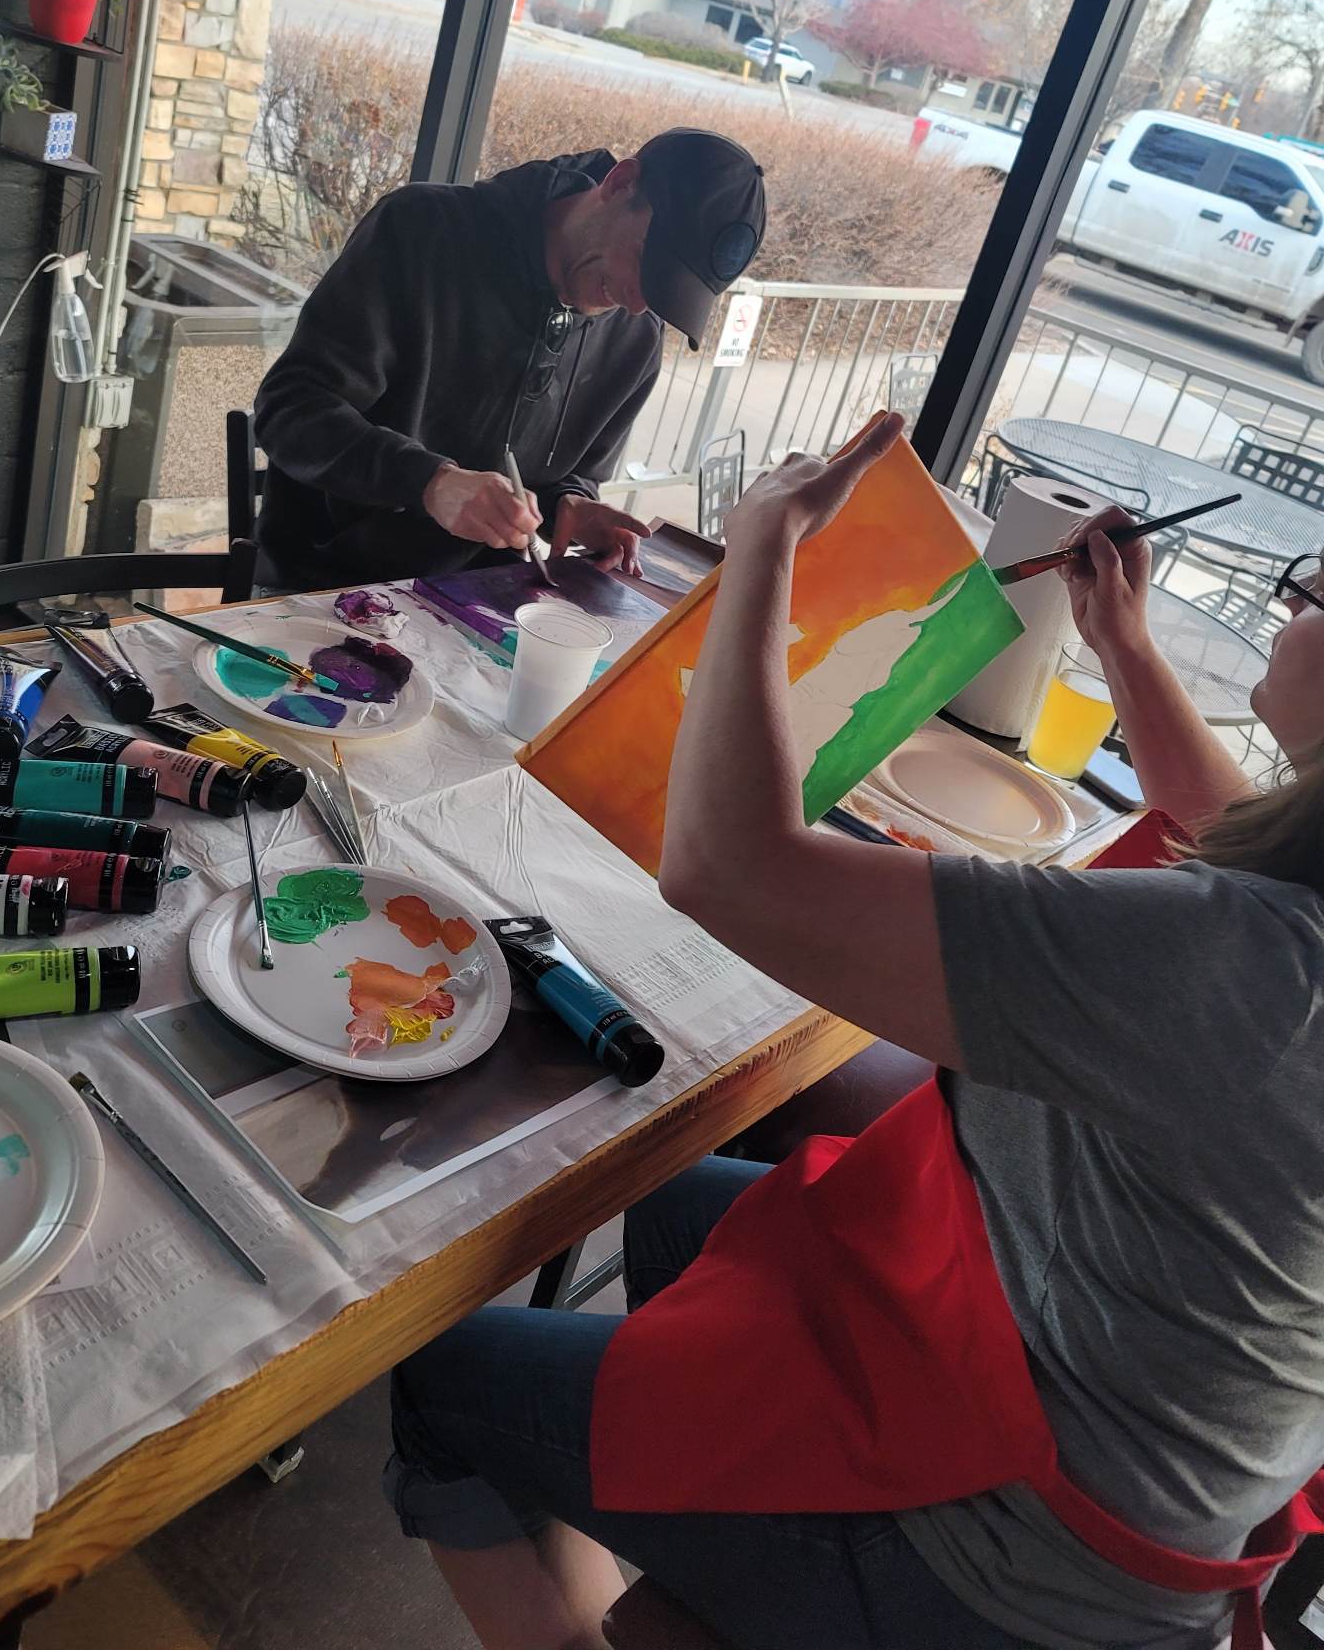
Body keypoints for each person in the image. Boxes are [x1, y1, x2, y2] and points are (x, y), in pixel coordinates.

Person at [385, 414, 1324, 1650]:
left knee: (440, 1378)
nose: (1293, 596)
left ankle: (680, 1587)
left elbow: (729, 867)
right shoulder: (1288, 924)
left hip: (1009, 1559)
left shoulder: (1256, 968)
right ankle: (701, 1535)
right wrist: (1125, 644)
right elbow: (1231, 826)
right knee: (674, 1206)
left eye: (1319, 585)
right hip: (1060, 1375)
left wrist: (764, 553)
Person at [251, 129, 766, 591]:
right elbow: (289, 408)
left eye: (664, 296)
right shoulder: (421, 231)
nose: (636, 303)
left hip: (478, 604)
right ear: (620, 183)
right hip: (321, 588)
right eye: (645, 265)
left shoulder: (636, 338)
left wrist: (569, 506)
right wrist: (429, 482)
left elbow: (572, 474)